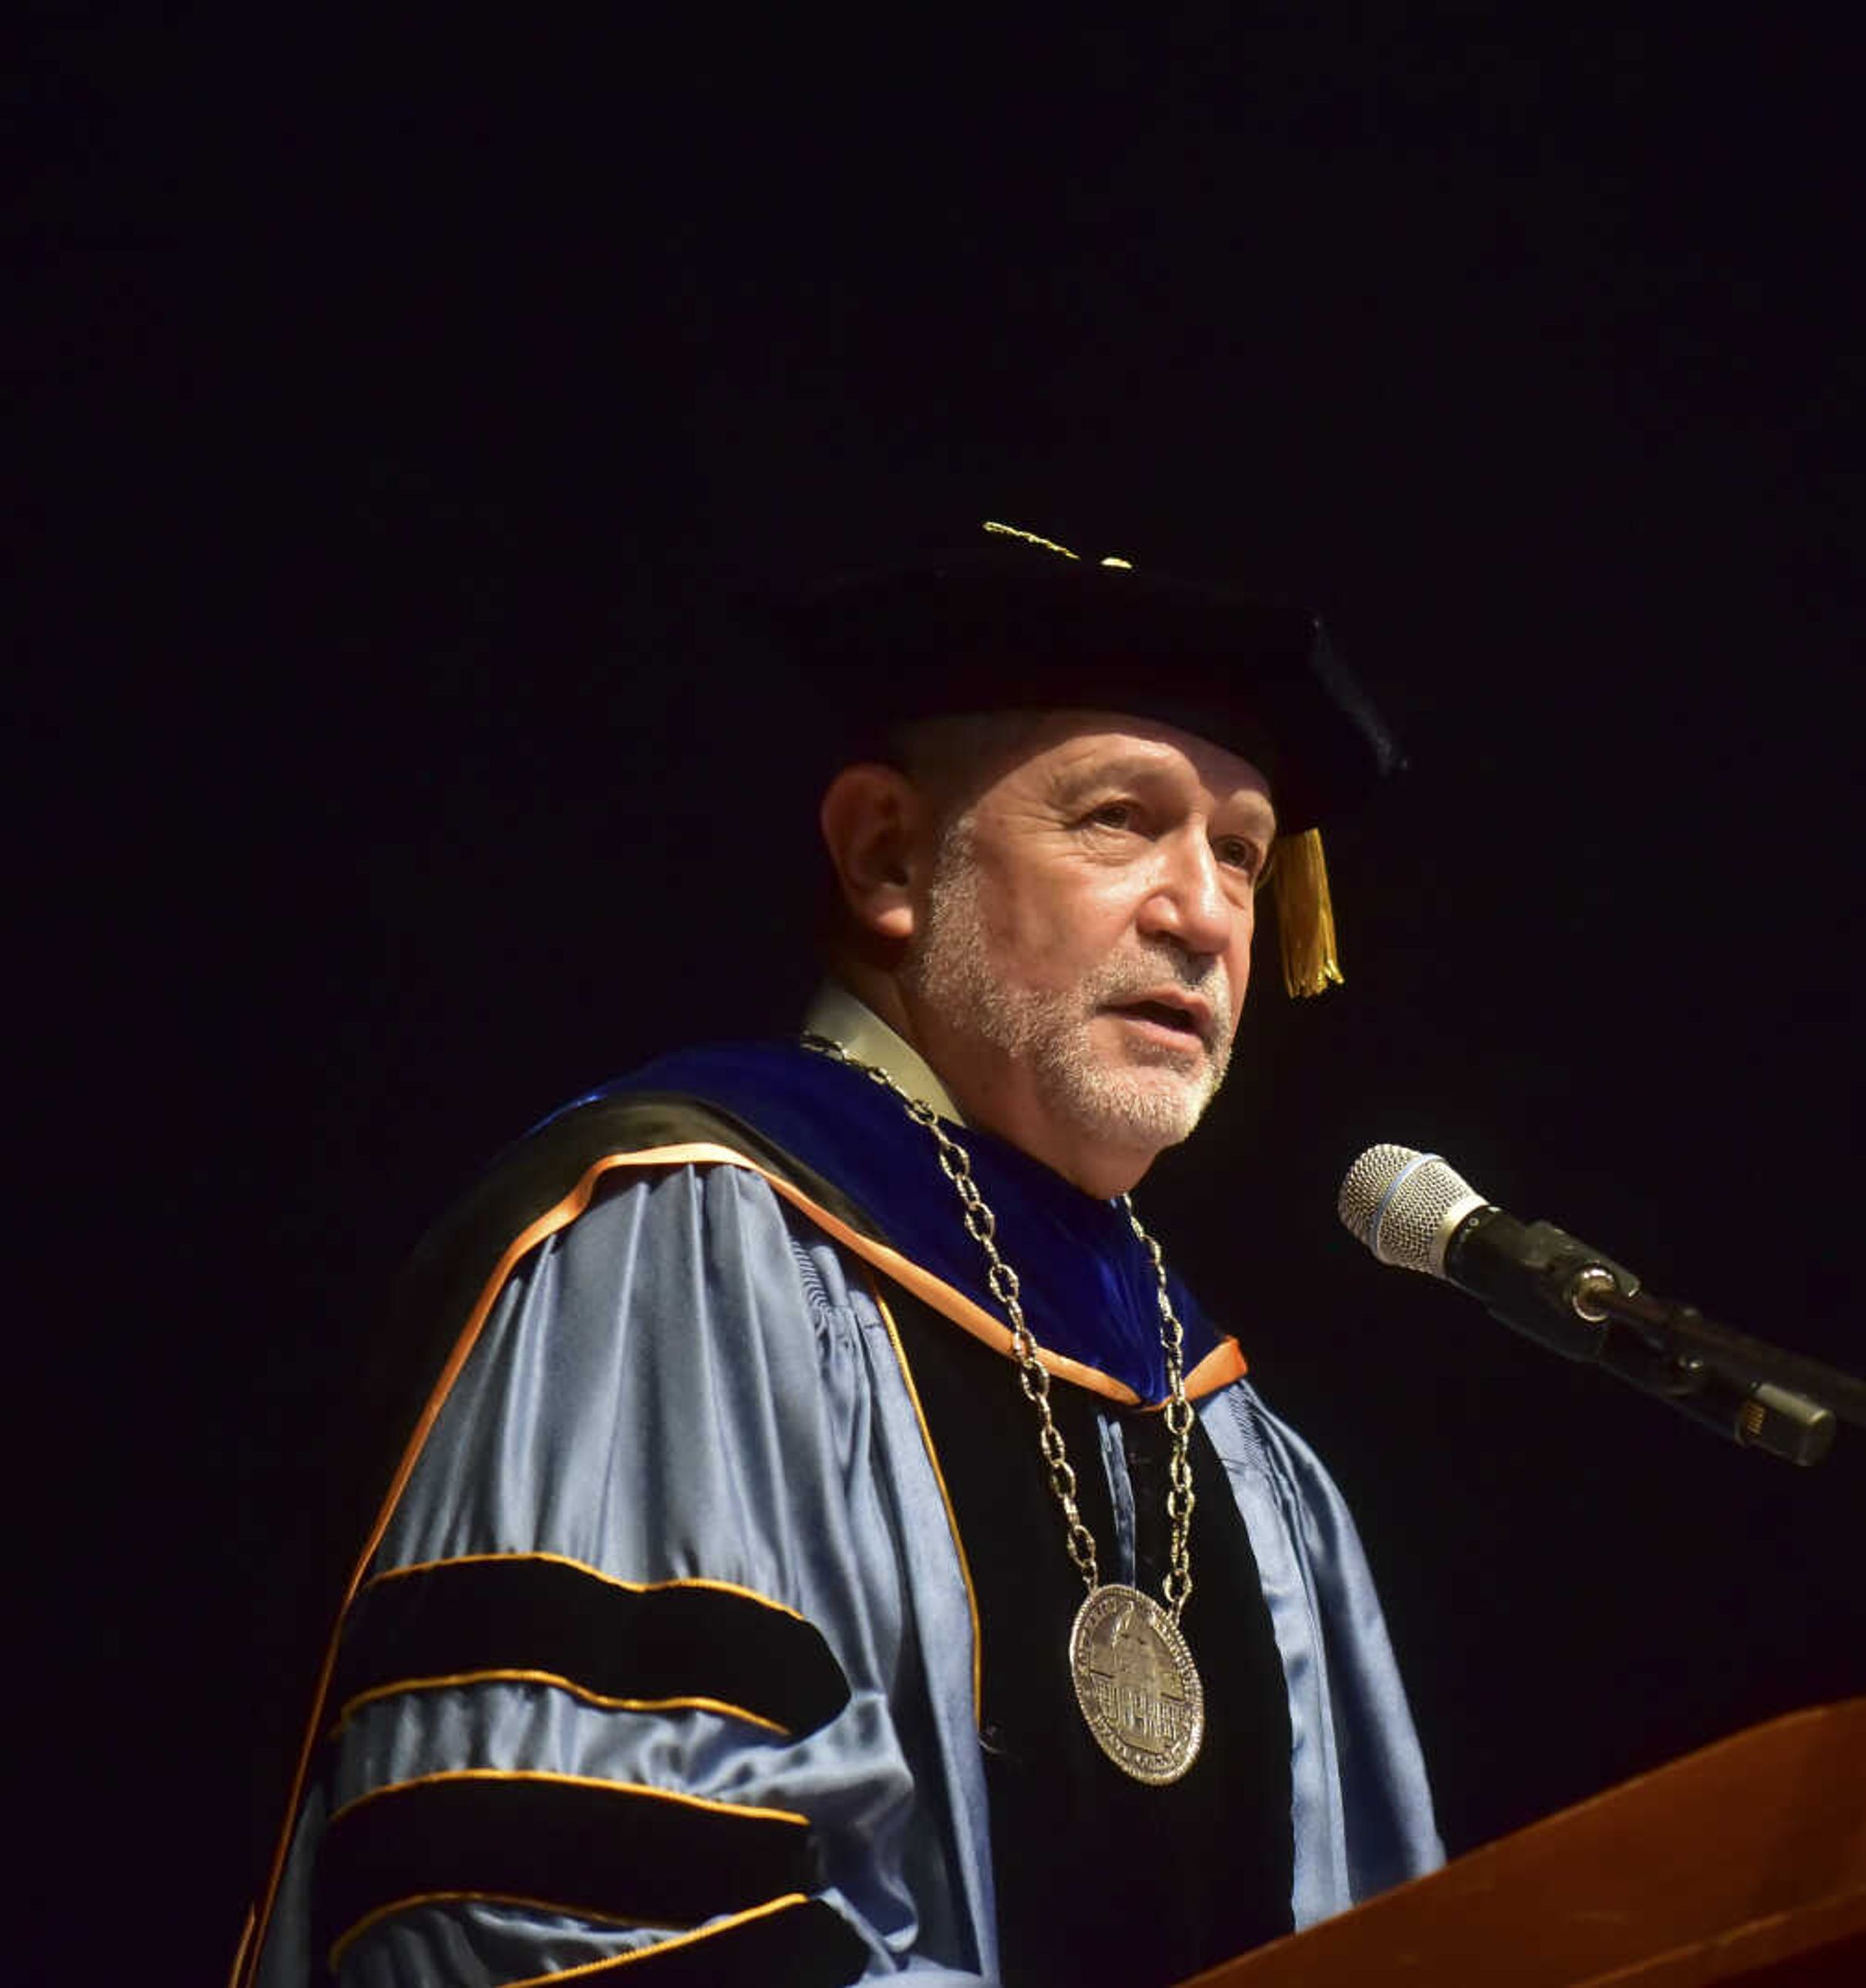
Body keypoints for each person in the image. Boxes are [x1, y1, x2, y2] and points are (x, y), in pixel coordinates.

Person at [237, 524, 1445, 1988]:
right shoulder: (676, 1255)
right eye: (1122, 818)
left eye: (1243, 855)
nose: (1202, 915)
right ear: (887, 855)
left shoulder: (1233, 1442)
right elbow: (568, 1910)